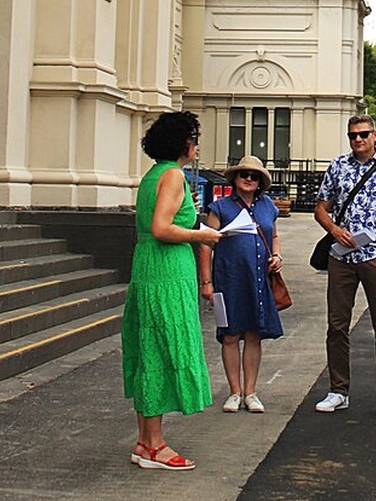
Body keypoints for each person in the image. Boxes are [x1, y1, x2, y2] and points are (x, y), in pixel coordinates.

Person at [121, 111, 221, 471]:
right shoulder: (174, 174)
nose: (196, 146)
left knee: (148, 348)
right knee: (163, 349)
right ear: (184, 143)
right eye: (194, 139)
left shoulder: (153, 175)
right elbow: (162, 228)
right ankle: (156, 445)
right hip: (167, 269)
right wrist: (202, 235)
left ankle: (145, 441)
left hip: (148, 265)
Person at [312, 114, 376, 416]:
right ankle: (338, 390)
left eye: (363, 134)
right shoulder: (338, 166)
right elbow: (321, 208)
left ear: (375, 136)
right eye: (352, 135)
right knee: (336, 325)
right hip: (341, 257)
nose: (358, 139)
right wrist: (334, 230)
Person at [199, 155, 284, 414]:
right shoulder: (220, 207)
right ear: (235, 178)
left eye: (254, 176)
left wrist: (277, 256)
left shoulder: (268, 206)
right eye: (244, 174)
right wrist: (206, 282)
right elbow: (206, 245)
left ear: (260, 182)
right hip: (228, 279)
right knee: (230, 335)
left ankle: (251, 392)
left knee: (254, 334)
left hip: (258, 279)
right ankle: (234, 392)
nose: (248, 179)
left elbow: (274, 235)